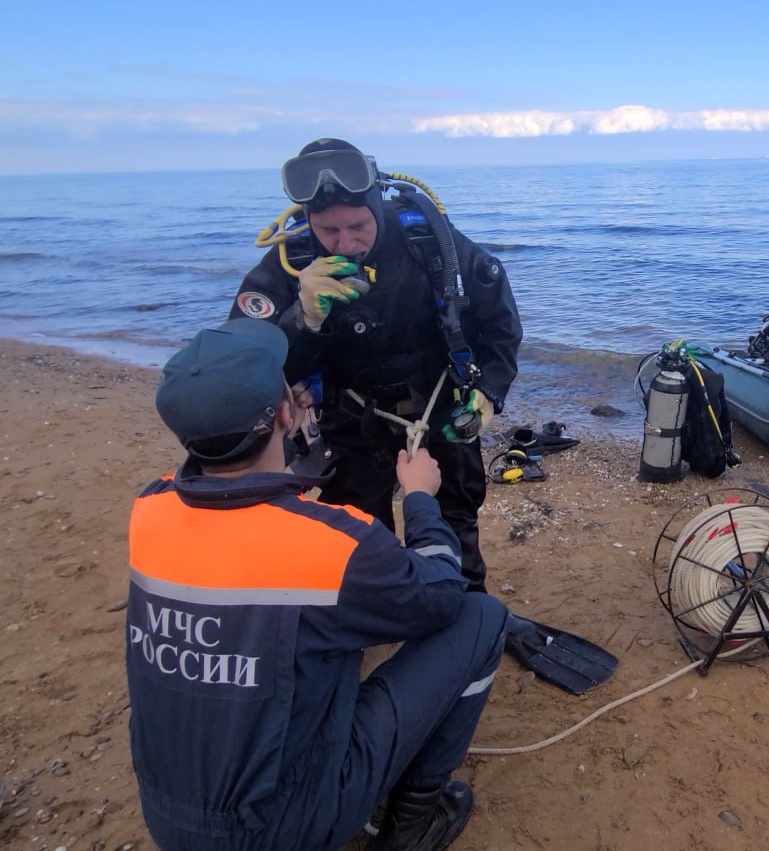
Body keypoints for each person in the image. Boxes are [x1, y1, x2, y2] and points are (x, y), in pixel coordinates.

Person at [126, 318, 507, 851]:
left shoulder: (149, 509)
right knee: (481, 618)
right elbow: (440, 596)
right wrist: (420, 499)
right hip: (286, 829)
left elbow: (244, 539)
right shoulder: (331, 545)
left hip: (171, 819)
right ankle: (413, 823)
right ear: (286, 413)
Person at [229, 137, 522, 593]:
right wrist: (301, 319)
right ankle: (380, 608)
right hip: (352, 418)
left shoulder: (427, 240)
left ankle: (463, 607)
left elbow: (499, 323)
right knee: (359, 528)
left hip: (439, 407)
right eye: (328, 230)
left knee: (455, 517)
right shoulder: (292, 262)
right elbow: (242, 363)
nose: (346, 243)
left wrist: (490, 391)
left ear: (377, 206)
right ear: (309, 222)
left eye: (358, 226)